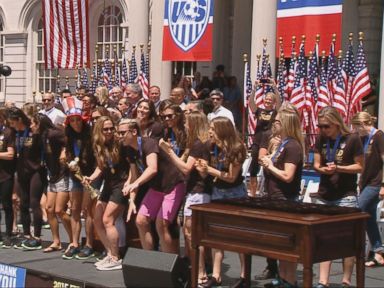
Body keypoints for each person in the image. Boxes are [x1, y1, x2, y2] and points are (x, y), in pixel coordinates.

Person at [313, 106, 364, 288]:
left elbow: (360, 167)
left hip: (346, 194)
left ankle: (346, 280)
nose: (323, 130)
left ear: (336, 124)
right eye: (320, 126)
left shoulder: (352, 139)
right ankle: (323, 281)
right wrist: (323, 169)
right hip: (325, 193)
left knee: (347, 240)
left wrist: (339, 168)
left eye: (326, 126)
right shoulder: (321, 139)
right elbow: (316, 164)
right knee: (323, 238)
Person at [160, 111, 211, 285]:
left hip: (198, 192)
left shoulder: (198, 144)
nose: (186, 126)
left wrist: (169, 152)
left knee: (193, 234)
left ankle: (201, 272)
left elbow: (186, 168)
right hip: (194, 191)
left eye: (188, 124)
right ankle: (196, 269)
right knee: (188, 232)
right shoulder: (197, 143)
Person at [195, 116, 247, 288]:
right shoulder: (211, 147)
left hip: (235, 193)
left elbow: (231, 177)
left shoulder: (237, 148)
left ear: (222, 130)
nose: (209, 131)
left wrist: (209, 169)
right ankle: (216, 275)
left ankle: (244, 275)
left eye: (212, 128)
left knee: (239, 235)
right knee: (216, 234)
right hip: (217, 191)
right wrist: (202, 168)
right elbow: (210, 172)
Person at [123, 118, 186, 254]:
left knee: (161, 224)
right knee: (140, 221)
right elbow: (134, 176)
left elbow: (152, 168)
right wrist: (132, 200)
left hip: (172, 185)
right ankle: (149, 260)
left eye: (122, 132)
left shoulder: (149, 143)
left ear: (134, 132)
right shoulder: (129, 149)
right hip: (156, 188)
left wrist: (135, 183)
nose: (118, 135)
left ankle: (169, 265)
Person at [259, 103, 304, 288]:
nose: (273, 124)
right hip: (274, 197)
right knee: (280, 245)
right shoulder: (281, 144)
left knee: (288, 246)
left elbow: (287, 175)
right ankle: (283, 278)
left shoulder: (292, 146)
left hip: (285, 200)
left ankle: (290, 281)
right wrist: (269, 159)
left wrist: (270, 166)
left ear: (285, 124)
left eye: (277, 121)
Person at [85, 116, 130, 271]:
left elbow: (132, 166)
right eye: (106, 129)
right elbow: (101, 167)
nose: (110, 131)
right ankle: (110, 253)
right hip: (108, 184)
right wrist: (91, 177)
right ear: (99, 130)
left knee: (107, 220)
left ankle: (116, 257)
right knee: (97, 218)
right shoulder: (98, 145)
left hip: (121, 184)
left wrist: (131, 184)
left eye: (112, 128)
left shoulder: (120, 143)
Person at [30, 114, 71, 253]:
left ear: (40, 123)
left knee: (59, 210)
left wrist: (64, 151)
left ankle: (73, 240)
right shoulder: (41, 136)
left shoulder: (54, 134)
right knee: (49, 209)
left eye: (33, 123)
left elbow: (68, 140)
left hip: (62, 174)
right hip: (52, 175)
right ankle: (56, 241)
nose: (31, 126)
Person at [62, 97, 96, 260]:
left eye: (77, 120)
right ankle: (74, 243)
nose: (75, 123)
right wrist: (67, 162)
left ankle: (89, 244)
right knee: (74, 209)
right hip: (75, 176)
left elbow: (96, 157)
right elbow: (66, 154)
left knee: (88, 210)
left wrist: (90, 177)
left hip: (90, 176)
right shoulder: (68, 135)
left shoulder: (90, 134)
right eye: (72, 120)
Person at [8, 107, 46, 250]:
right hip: (21, 171)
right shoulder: (14, 133)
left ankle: (36, 236)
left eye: (13, 122)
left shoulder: (33, 131)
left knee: (34, 202)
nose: (11, 125)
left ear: (19, 120)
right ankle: (26, 235)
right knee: (23, 203)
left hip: (36, 171)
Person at [351, 112, 384, 267]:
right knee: (369, 217)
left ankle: (353, 248)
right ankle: (378, 252)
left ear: (362, 124)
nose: (356, 131)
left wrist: (383, 185)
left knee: (358, 210)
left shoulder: (378, 136)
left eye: (356, 127)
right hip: (365, 182)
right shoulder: (364, 138)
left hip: (375, 183)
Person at [248, 80, 280, 198]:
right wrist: (254, 88)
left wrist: (275, 88)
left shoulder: (275, 112)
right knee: (253, 169)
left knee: (268, 166)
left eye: (270, 100)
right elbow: (251, 103)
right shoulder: (259, 111)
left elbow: (280, 103)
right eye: (266, 99)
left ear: (273, 102)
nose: (267, 101)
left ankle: (267, 191)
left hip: (269, 142)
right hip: (257, 141)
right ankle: (252, 193)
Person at [0, 107, 16, 248]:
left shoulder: (8, 133)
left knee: (7, 205)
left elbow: (11, 155)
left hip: (6, 175)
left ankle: (8, 234)